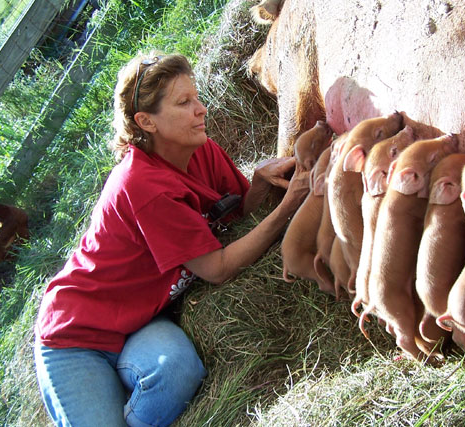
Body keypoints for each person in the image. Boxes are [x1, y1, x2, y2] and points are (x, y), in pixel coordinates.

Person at [33, 52, 310, 427]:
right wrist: (286, 208)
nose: (201, 109)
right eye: (184, 103)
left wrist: (259, 184)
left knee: (178, 371)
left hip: (139, 321)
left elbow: (235, 215)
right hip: (76, 338)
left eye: (196, 97)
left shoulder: (198, 148)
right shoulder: (145, 186)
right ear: (146, 122)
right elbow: (218, 268)